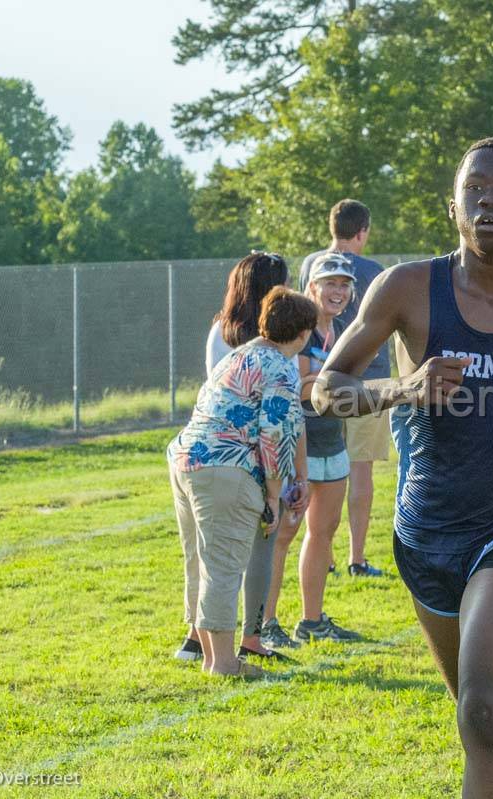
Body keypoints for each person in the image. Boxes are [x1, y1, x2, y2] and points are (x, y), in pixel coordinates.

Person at [312, 138, 493, 799]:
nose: (489, 198)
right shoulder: (408, 287)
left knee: (481, 707)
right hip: (427, 532)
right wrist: (403, 390)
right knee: (478, 714)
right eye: (475, 189)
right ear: (454, 207)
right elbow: (326, 388)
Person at [167, 286, 314, 678]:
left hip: (186, 458)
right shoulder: (283, 368)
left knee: (200, 561)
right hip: (225, 466)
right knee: (225, 565)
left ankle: (203, 647)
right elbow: (274, 433)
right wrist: (273, 492)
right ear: (302, 334)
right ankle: (222, 663)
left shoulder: (240, 354)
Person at [263, 254, 363, 647]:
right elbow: (303, 388)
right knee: (282, 534)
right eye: (330, 283)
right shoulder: (301, 329)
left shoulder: (343, 329)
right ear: (311, 287)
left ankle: (312, 620)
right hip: (298, 446)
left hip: (332, 441)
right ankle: (265, 622)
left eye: (344, 284)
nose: (338, 292)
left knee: (323, 532)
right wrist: (337, 382)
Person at [300, 199, 389, 578]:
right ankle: (357, 556)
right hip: (368, 380)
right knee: (360, 470)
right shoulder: (375, 271)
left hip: (322, 384)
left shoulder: (309, 264)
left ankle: (325, 554)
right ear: (363, 231)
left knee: (324, 472)